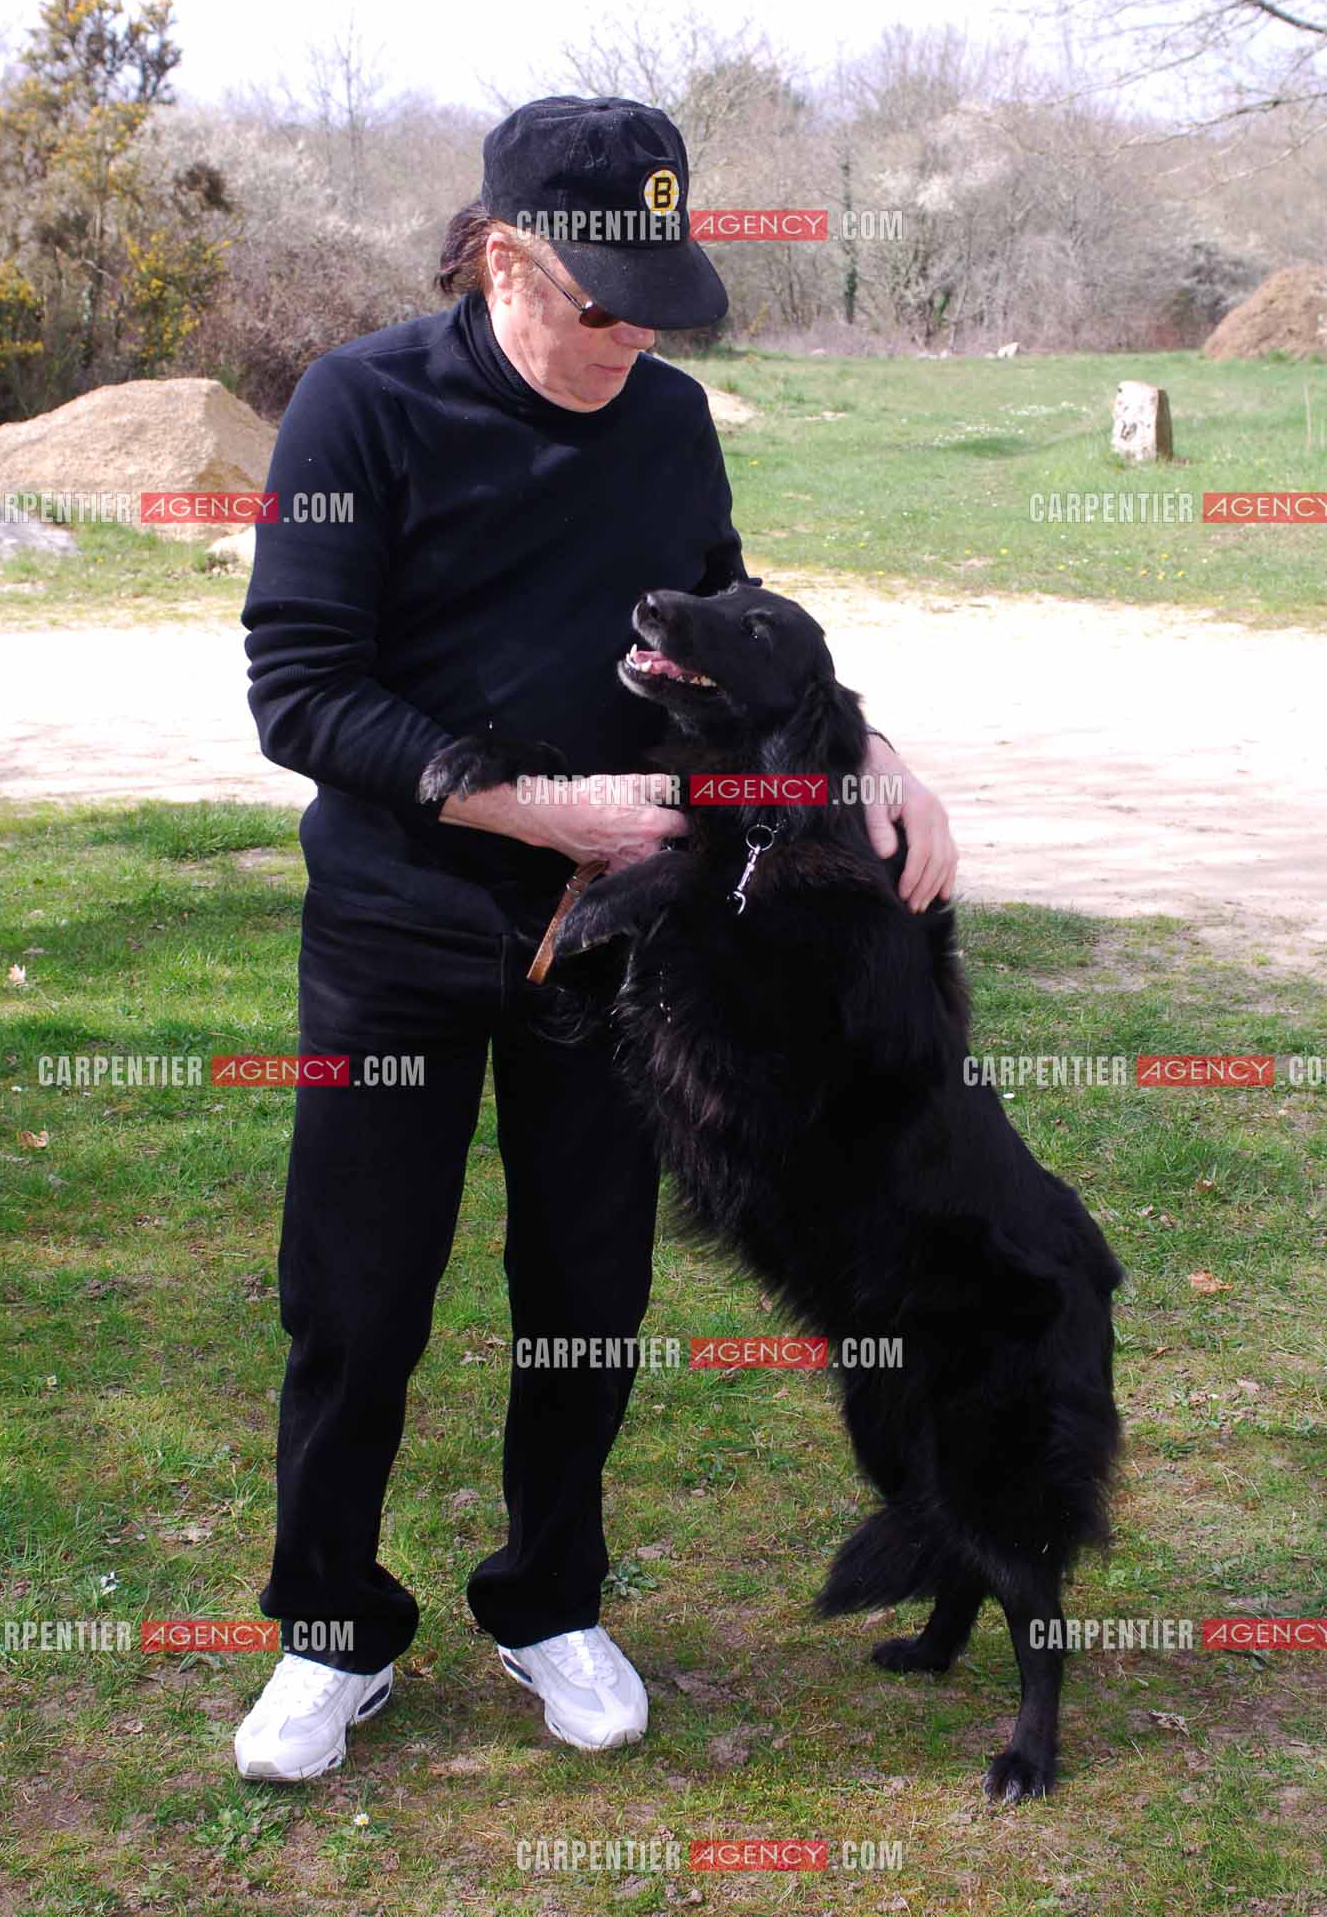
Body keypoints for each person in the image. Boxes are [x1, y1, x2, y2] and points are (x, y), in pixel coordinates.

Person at [232, 95, 959, 1782]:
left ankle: (550, 1597)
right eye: (602, 297)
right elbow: (299, 690)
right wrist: (533, 805)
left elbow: (735, 631)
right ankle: (329, 1627)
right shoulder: (358, 409)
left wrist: (878, 756)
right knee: (354, 1297)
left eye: (660, 298)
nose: (634, 331)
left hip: (621, 947)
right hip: (399, 932)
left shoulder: (668, 422)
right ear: (504, 255)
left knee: (587, 1293)